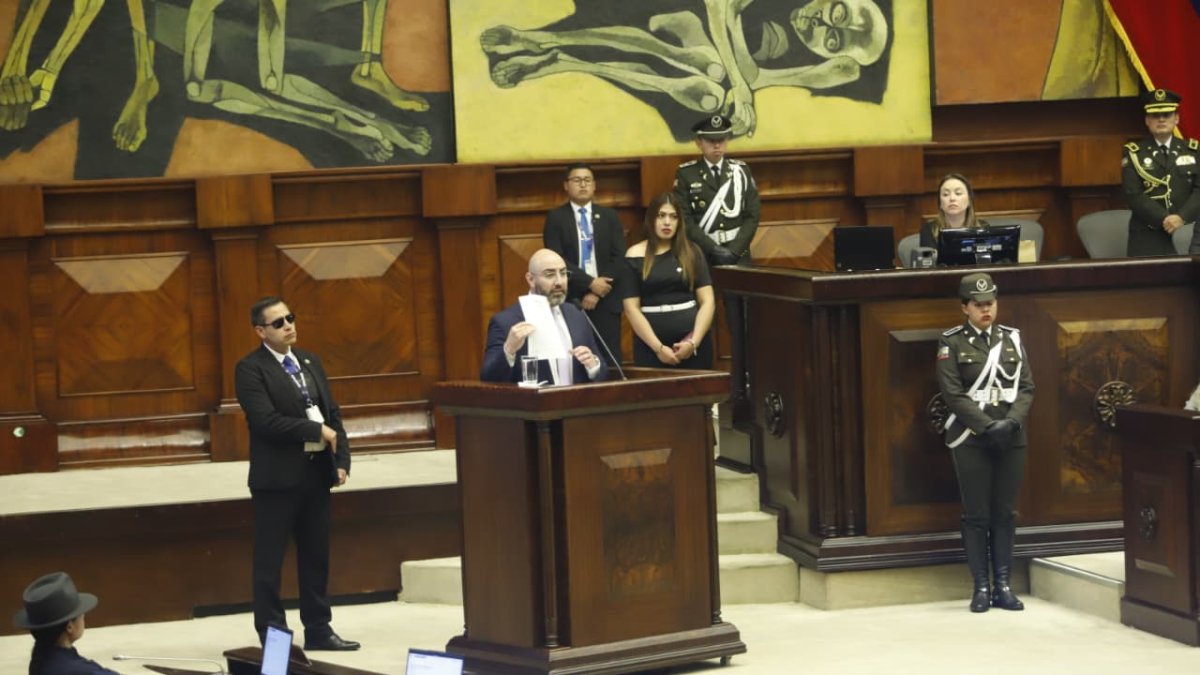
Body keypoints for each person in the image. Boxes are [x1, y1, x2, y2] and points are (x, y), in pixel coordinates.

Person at [234, 297, 359, 651]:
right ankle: (274, 639)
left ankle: (319, 630)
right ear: (261, 331)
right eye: (278, 322)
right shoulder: (251, 369)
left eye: (290, 318)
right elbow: (265, 422)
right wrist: (315, 431)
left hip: (316, 476)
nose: (288, 325)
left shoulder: (308, 361)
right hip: (277, 480)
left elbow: (332, 414)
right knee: (270, 563)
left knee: (316, 557)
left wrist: (342, 461)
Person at [936, 273, 1034, 613]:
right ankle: (981, 587)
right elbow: (952, 393)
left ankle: (1003, 585)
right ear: (965, 308)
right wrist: (987, 426)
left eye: (990, 303)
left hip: (1011, 435)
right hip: (971, 437)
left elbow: (1026, 388)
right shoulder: (951, 342)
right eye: (978, 305)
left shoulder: (1013, 339)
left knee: (1005, 513)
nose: (986, 310)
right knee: (977, 514)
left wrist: (1010, 423)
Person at [543, 163, 628, 367]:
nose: (583, 185)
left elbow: (619, 257)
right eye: (577, 180)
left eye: (587, 180)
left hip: (606, 297)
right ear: (566, 185)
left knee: (609, 358)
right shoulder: (556, 218)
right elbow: (557, 259)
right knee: (573, 356)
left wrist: (597, 291)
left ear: (594, 185)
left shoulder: (609, 217)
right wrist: (590, 283)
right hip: (570, 296)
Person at [481, 248, 608, 384]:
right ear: (530, 279)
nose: (559, 282)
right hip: (533, 403)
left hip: (575, 402)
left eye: (563, 273)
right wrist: (509, 350)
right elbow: (489, 377)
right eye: (550, 275)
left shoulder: (576, 314)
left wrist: (593, 365)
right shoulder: (505, 322)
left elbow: (602, 370)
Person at [623, 192, 716, 369]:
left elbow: (708, 301)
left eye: (673, 217)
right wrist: (658, 348)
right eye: (661, 216)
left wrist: (693, 342)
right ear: (651, 219)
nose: (667, 222)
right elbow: (631, 308)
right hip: (651, 346)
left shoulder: (692, 252)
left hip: (693, 344)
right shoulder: (634, 255)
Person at [1122, 89, 1200, 256]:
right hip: (1147, 234)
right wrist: (1165, 219)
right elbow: (1133, 193)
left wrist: (1181, 217)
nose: (1162, 119)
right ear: (1147, 121)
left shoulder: (1193, 150)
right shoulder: (1134, 153)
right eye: (1155, 115)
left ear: (1176, 119)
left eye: (1167, 114)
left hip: (1189, 232)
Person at [13, 571, 121, 675]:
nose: (83, 615)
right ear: (70, 627)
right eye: (80, 613)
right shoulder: (84, 671)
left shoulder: (40, 656)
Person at [919, 173, 985, 248]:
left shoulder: (982, 227)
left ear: (969, 200)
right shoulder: (929, 230)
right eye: (945, 194)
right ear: (940, 203)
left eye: (958, 193)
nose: (952, 198)